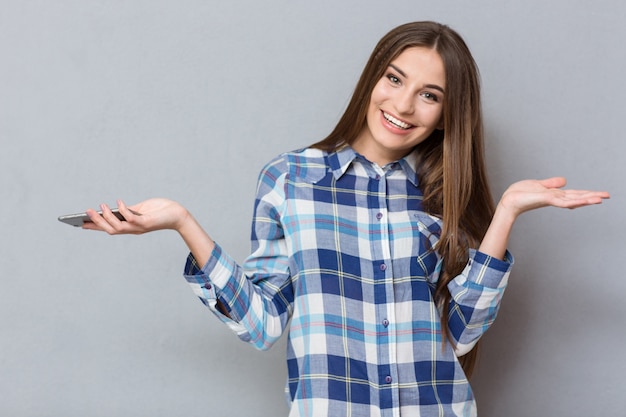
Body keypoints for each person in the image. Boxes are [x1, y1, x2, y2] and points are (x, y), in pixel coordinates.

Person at [83, 21, 609, 417]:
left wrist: (508, 213)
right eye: (394, 78)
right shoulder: (291, 179)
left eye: (430, 95)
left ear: (449, 114)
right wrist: (182, 222)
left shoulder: (439, 195)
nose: (403, 104)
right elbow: (262, 323)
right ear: (372, 77)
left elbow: (463, 333)